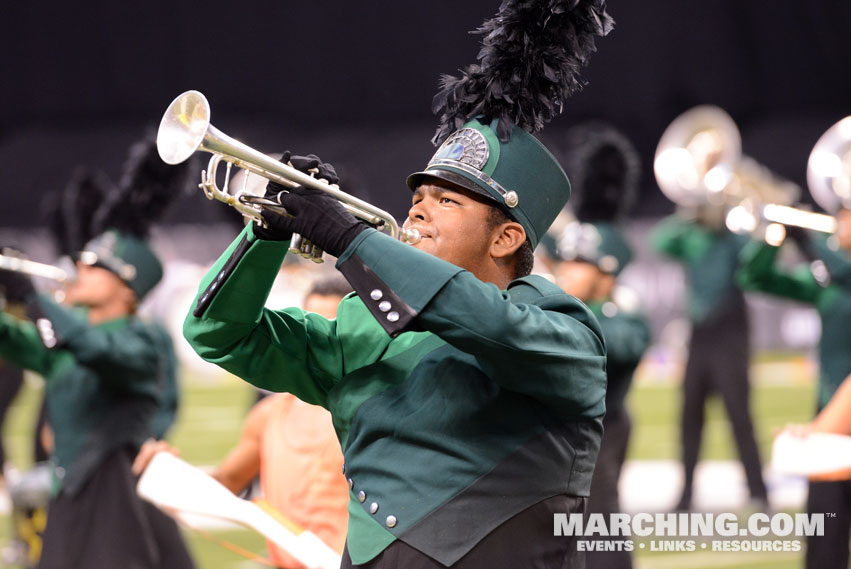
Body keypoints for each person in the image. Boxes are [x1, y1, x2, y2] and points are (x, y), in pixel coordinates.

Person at [135, 275, 353, 569]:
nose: (322, 341)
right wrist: (170, 475)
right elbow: (227, 484)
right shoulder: (268, 415)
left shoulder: (375, 415)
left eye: (334, 328)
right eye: (314, 326)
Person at [736, 212, 851, 569]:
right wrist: (774, 236)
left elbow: (842, 270)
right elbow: (754, 277)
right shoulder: (826, 277)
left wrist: (806, 241)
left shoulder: (833, 268)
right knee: (823, 538)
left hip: (835, 418)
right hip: (830, 417)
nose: (840, 225)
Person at [543, 221, 650, 569]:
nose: (565, 270)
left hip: (600, 433)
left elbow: (624, 347)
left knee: (601, 528)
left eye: (579, 263)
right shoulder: (559, 307)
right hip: (555, 435)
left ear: (605, 274)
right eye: (565, 261)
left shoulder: (619, 316)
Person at [651, 205, 769, 512]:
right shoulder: (692, 237)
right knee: (690, 418)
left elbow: (754, 254)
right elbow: (660, 241)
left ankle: (758, 490)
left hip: (730, 334)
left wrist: (731, 216)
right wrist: (691, 211)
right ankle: (687, 494)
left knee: (739, 416)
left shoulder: (733, 240)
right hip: (699, 336)